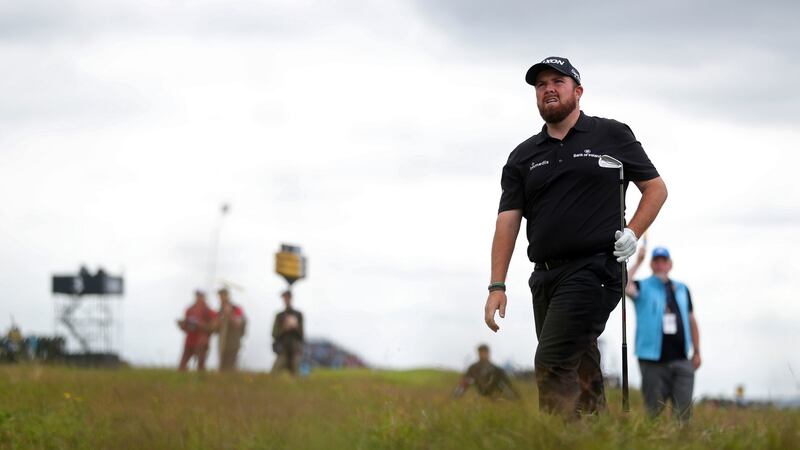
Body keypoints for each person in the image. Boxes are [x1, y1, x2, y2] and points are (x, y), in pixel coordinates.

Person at [483, 56, 668, 418]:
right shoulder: (523, 156)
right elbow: (507, 221)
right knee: (581, 366)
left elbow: (656, 189)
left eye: (558, 81)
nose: (548, 88)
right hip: (545, 276)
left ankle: (557, 441)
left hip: (595, 269)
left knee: (552, 361)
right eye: (541, 84)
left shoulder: (612, 135)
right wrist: (496, 285)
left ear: (577, 91)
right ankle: (598, 436)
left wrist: (633, 232)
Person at [626, 245, 701, 421]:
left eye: (663, 261)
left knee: (683, 415)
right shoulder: (642, 286)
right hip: (652, 362)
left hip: (682, 359)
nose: (660, 265)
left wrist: (697, 351)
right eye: (656, 261)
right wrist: (638, 261)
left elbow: (691, 320)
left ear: (670, 264)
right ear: (651, 265)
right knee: (653, 413)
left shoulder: (682, 288)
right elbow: (622, 283)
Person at [453, 344, 519, 400]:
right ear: (478, 353)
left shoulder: (496, 369)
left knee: (502, 385)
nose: (483, 354)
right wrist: (456, 396)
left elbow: (507, 384)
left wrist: (514, 397)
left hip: (496, 395)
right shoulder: (473, 368)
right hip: (481, 395)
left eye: (485, 352)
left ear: (488, 353)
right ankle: (455, 397)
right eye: (481, 352)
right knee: (466, 381)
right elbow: (464, 382)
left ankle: (514, 399)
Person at [177, 290, 216, 371]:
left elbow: (214, 325)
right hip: (190, 341)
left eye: (201, 296)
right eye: (198, 296)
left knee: (201, 365)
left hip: (202, 341)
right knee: (182, 365)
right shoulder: (190, 309)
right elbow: (186, 326)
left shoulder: (208, 310)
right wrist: (183, 325)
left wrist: (202, 325)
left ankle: (200, 381)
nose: (199, 298)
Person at [271, 290, 304, 375]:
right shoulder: (279, 316)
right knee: (274, 373)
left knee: (296, 374)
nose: (286, 300)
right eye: (284, 298)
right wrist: (284, 328)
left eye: (288, 298)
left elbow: (302, 335)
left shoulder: (298, 315)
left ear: (291, 299)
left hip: (295, 350)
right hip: (283, 350)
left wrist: (295, 327)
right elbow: (274, 334)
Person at [215, 288, 246, 371]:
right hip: (222, 343)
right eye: (220, 296)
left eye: (223, 296)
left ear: (228, 296)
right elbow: (215, 327)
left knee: (231, 367)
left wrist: (229, 314)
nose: (221, 298)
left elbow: (238, 323)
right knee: (222, 367)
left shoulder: (236, 309)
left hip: (233, 343)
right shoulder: (220, 311)